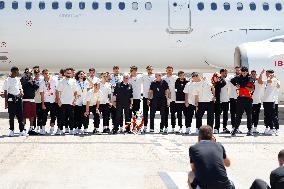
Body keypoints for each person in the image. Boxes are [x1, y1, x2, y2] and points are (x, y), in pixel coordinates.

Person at [3, 66, 29, 137]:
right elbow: (5, 92)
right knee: (11, 116)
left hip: (18, 99)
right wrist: (6, 103)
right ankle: (11, 130)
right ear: (13, 72)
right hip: (11, 100)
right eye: (17, 71)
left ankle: (21, 131)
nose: (18, 73)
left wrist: (22, 92)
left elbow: (20, 88)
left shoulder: (17, 79)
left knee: (20, 116)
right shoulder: (7, 80)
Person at [231, 66, 255, 136]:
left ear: (247, 72)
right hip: (240, 98)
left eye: (245, 72)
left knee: (249, 115)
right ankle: (235, 129)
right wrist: (236, 85)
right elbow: (232, 80)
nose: (244, 74)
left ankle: (250, 129)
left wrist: (243, 87)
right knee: (238, 115)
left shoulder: (250, 78)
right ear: (241, 72)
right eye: (243, 72)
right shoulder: (238, 77)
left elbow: (252, 89)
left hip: (248, 99)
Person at [56, 68, 78, 135]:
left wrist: (74, 100)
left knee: (71, 117)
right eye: (67, 73)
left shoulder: (73, 81)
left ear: (71, 74)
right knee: (61, 117)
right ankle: (60, 129)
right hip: (62, 102)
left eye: (70, 73)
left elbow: (75, 92)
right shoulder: (61, 81)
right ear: (64, 73)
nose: (68, 74)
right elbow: (57, 91)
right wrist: (59, 100)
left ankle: (71, 130)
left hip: (71, 103)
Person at [259, 69, 280, 136]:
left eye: (267, 73)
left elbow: (276, 84)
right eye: (266, 73)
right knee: (267, 116)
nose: (266, 74)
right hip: (265, 101)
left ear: (272, 73)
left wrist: (272, 77)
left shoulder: (274, 80)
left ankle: (277, 129)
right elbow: (260, 81)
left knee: (273, 115)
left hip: (271, 101)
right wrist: (261, 74)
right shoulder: (268, 80)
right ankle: (271, 128)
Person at [39, 69, 58, 135]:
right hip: (46, 101)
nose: (47, 75)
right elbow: (41, 93)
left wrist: (57, 99)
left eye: (47, 73)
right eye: (45, 73)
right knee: (44, 116)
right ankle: (43, 129)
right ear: (43, 74)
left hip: (53, 101)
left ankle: (52, 129)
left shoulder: (54, 81)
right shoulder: (41, 82)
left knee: (53, 116)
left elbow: (57, 91)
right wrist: (43, 103)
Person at [162, 66, 178, 133]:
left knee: (173, 114)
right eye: (168, 70)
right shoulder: (163, 78)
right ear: (166, 71)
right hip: (165, 99)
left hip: (173, 98)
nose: (169, 71)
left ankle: (173, 127)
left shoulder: (175, 78)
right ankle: (165, 127)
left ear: (172, 71)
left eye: (170, 70)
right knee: (165, 113)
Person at [142, 65, 155, 132]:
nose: (150, 70)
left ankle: (152, 128)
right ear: (146, 70)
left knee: (152, 113)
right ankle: (145, 126)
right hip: (145, 97)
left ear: (152, 70)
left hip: (153, 98)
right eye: (148, 69)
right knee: (145, 113)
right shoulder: (143, 76)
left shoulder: (154, 76)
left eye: (151, 69)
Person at [228, 66, 241, 133]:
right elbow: (233, 82)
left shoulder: (242, 77)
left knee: (238, 113)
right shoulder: (231, 77)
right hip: (232, 97)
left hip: (239, 97)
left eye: (239, 70)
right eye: (236, 70)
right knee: (233, 113)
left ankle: (237, 127)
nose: (237, 71)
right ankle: (233, 127)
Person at [110, 66, 123, 131]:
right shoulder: (110, 77)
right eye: (115, 70)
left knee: (120, 112)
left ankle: (121, 126)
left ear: (118, 70)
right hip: (112, 95)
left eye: (117, 70)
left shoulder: (121, 77)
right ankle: (114, 125)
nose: (116, 71)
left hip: (119, 96)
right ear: (113, 70)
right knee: (113, 112)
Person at [219, 69, 230, 133]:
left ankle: (224, 127)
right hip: (219, 100)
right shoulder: (218, 80)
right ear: (221, 73)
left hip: (226, 100)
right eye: (224, 73)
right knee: (217, 114)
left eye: (226, 73)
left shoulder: (228, 80)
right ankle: (216, 128)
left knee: (225, 115)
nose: (225, 74)